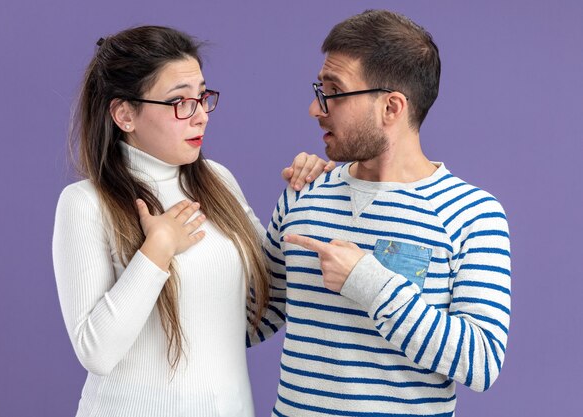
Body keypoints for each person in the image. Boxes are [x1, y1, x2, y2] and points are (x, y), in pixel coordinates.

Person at [52, 26, 332, 417]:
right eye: (180, 102)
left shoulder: (218, 181)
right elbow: (96, 352)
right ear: (124, 114)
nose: (200, 116)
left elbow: (266, 305)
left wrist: (304, 195)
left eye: (202, 97)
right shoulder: (86, 204)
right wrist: (156, 252)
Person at [254, 10, 511, 417]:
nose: (314, 109)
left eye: (333, 92)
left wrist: (369, 283)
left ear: (391, 108)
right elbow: (255, 322)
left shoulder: (473, 214)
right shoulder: (304, 191)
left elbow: (480, 362)